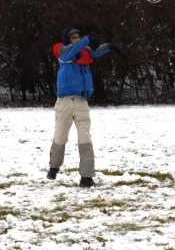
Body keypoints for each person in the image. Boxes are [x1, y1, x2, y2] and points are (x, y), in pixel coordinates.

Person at [47, 26, 124, 188]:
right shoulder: (62, 52)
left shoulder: (84, 51)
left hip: (82, 102)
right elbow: (73, 49)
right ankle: (54, 167)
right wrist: (87, 39)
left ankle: (87, 177)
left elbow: (96, 50)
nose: (76, 39)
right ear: (68, 40)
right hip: (65, 103)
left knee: (85, 139)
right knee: (60, 137)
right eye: (73, 37)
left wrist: (111, 46)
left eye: (78, 37)